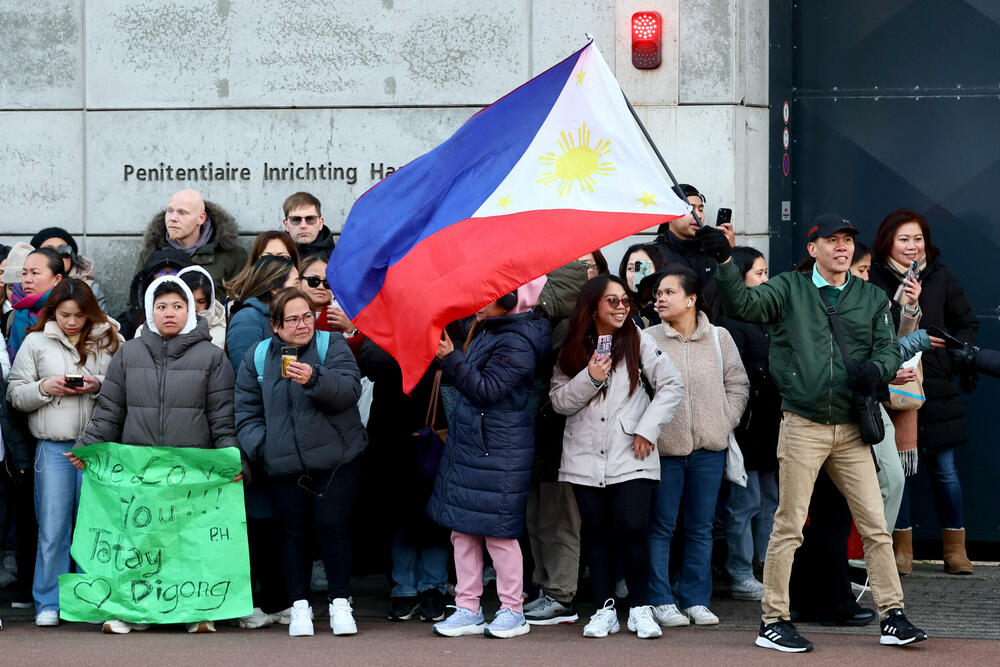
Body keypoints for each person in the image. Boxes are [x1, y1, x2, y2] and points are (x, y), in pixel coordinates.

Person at [704, 213, 926, 651]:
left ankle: (894, 615)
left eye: (847, 240)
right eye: (831, 240)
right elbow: (744, 306)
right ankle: (773, 620)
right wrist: (726, 261)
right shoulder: (788, 287)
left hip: (850, 427)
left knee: (876, 526)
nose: (842, 247)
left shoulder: (872, 296)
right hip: (803, 424)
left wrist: (876, 371)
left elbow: (886, 349)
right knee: (788, 526)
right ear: (813, 249)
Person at [73, 275, 239, 634]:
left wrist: (231, 461)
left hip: (191, 472)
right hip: (140, 470)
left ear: (191, 311)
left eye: (178, 306)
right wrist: (88, 447)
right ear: (149, 310)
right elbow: (110, 412)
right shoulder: (128, 355)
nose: (169, 313)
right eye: (161, 306)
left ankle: (197, 611)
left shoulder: (212, 358)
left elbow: (223, 418)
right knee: (139, 542)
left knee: (188, 539)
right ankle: (133, 612)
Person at [550, 275, 684, 639]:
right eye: (612, 301)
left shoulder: (639, 340)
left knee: (633, 528)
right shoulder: (573, 345)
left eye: (625, 300)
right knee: (597, 533)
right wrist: (590, 377)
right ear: (593, 306)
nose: (621, 306)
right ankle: (604, 608)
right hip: (583, 456)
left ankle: (641, 608)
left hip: (631, 453)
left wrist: (647, 428)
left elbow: (672, 385)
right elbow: (559, 401)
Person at [234, 288, 367, 637]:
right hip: (283, 461)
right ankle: (300, 607)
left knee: (331, 526)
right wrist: (263, 447)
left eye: (307, 316)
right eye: (292, 319)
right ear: (276, 326)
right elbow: (246, 412)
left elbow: (350, 390)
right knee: (292, 535)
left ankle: (340, 603)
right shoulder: (258, 356)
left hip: (337, 457)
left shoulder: (330, 345)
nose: (302, 324)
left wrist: (314, 378)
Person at [427, 278, 551, 639]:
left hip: (499, 448)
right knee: (462, 530)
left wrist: (451, 359)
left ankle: (512, 609)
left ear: (511, 300)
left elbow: (487, 390)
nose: (478, 302)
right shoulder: (490, 329)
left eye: (489, 296)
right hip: (474, 443)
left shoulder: (517, 340)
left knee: (499, 533)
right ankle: (468, 607)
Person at [869, 209, 979, 576]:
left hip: (938, 387)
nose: (912, 247)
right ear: (888, 242)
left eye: (917, 239)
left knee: (945, 471)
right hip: (896, 390)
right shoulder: (873, 278)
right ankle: (902, 549)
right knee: (899, 472)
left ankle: (955, 549)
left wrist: (951, 358)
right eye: (904, 239)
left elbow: (966, 323)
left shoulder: (941, 277)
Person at [6, 280, 122, 627]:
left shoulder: (111, 336)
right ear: (53, 312)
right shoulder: (36, 340)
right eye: (64, 315)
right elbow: (15, 393)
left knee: (95, 527)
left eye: (79, 315)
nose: (71, 322)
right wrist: (45, 387)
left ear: (91, 313)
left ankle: (91, 598)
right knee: (53, 527)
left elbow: (128, 382)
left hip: (98, 448)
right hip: (52, 445)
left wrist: (98, 383)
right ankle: (49, 601)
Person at [644, 266, 749, 627]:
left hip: (709, 449)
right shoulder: (647, 338)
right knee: (661, 527)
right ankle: (659, 598)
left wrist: (724, 419)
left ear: (691, 299)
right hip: (663, 451)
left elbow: (738, 384)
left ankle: (695, 599)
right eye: (658, 293)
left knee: (702, 527)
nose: (660, 298)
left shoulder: (719, 338)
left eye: (668, 292)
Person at [357, 341, 450, 623]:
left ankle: (433, 586)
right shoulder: (385, 323)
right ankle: (404, 587)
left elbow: (453, 360)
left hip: (433, 429)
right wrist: (413, 344)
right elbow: (372, 362)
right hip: (390, 433)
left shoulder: (444, 319)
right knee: (397, 513)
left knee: (434, 514)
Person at [718, 247, 781, 602]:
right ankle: (740, 572)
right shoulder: (730, 322)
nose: (765, 279)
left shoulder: (768, 317)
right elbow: (738, 373)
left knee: (771, 498)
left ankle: (767, 566)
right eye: (758, 272)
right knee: (745, 502)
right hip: (746, 426)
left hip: (771, 423)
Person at [136, 189, 248, 300]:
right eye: (170, 211)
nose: (173, 218)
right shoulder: (150, 254)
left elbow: (240, 305)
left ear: (201, 218)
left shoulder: (232, 256)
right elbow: (135, 304)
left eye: (182, 213)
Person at [652, 183, 736, 322]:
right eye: (689, 209)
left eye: (701, 209)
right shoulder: (654, 253)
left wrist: (730, 252)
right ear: (670, 213)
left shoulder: (712, 251)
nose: (698, 215)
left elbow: (735, 294)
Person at [225, 256, 300, 372]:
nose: (301, 290)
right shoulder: (247, 320)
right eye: (296, 284)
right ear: (275, 288)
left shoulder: (288, 316)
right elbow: (245, 372)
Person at [116, 248, 193, 340]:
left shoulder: (201, 319)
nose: (167, 277)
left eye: (174, 272)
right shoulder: (129, 322)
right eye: (160, 272)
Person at [30, 227, 108, 312]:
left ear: (72, 256)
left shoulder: (91, 289)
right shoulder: (26, 284)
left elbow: (102, 323)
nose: (57, 255)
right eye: (49, 251)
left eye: (64, 250)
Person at [223, 231, 300, 307]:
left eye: (282, 257)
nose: (274, 263)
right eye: (267, 256)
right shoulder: (235, 297)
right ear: (256, 259)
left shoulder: (302, 290)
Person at [617, 243, 665, 328]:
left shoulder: (670, 303)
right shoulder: (617, 306)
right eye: (631, 269)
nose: (637, 275)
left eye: (644, 268)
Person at [282, 192, 337, 257]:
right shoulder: (275, 257)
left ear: (321, 223)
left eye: (310, 219)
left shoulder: (339, 259)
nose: (303, 226)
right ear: (286, 225)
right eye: (296, 219)